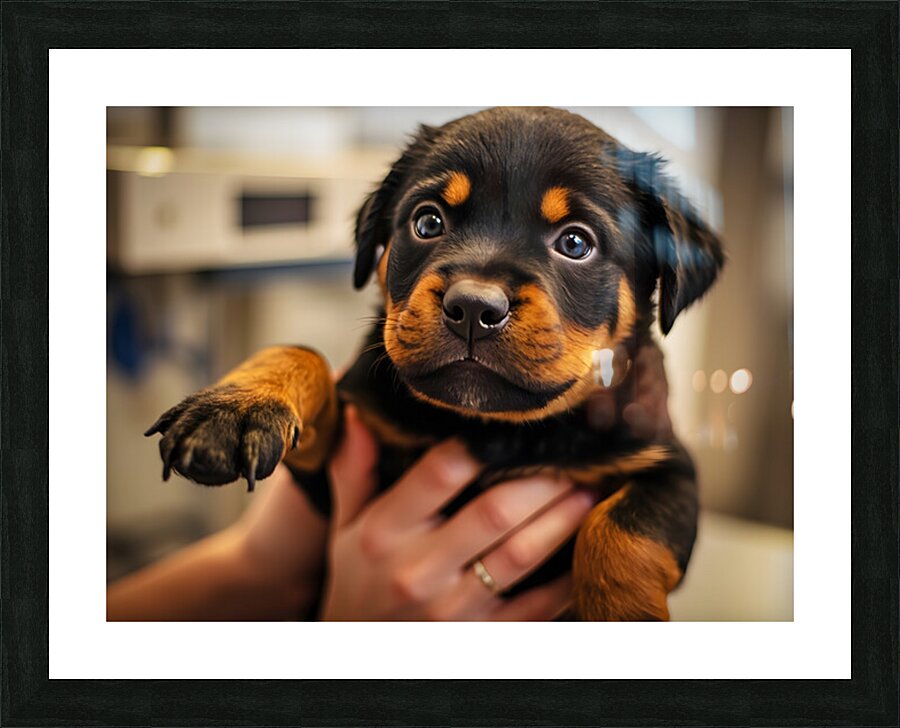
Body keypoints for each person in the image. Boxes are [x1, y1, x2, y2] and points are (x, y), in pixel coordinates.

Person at [107, 345, 671, 621]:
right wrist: (272, 383)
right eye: (430, 223)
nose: (477, 289)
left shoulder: (619, 408)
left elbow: (668, 482)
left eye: (574, 243)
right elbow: (330, 423)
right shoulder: (382, 383)